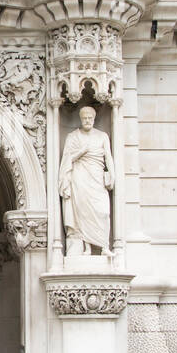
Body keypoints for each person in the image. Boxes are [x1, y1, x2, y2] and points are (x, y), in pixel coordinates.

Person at [58, 106, 114, 256]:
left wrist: (112, 175)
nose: (87, 121)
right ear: (81, 119)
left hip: (97, 177)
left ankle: (104, 246)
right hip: (80, 178)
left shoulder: (102, 136)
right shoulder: (73, 137)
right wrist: (81, 151)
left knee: (103, 211)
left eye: (90, 118)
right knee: (82, 212)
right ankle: (87, 248)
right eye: (84, 118)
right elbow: (67, 159)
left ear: (94, 119)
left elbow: (108, 156)